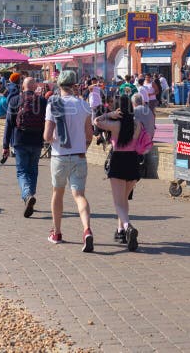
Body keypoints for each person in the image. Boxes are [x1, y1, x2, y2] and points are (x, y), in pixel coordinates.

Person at [43, 70, 94, 252]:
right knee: (79, 195)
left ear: (59, 85)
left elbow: (47, 135)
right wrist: (83, 147)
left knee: (58, 193)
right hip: (79, 155)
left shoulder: (53, 104)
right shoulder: (84, 105)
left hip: (59, 156)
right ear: (75, 85)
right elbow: (89, 135)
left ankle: (56, 233)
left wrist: (55, 139)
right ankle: (86, 229)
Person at [94, 95, 145, 251]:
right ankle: (121, 231)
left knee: (118, 202)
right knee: (123, 200)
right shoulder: (137, 124)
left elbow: (96, 121)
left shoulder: (114, 125)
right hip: (133, 161)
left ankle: (128, 226)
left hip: (118, 160)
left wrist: (109, 114)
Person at [3, 77, 47, 218]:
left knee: (22, 172)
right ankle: (30, 196)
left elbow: (9, 123)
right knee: (33, 170)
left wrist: (5, 146)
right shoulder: (42, 101)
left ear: (23, 87)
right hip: (36, 141)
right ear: (35, 87)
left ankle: (27, 195)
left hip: (20, 140)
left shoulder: (15, 100)